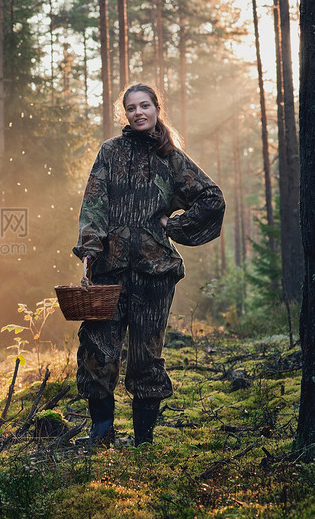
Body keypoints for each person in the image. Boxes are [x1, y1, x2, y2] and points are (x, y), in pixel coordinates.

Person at [72, 83, 225, 447]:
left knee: (145, 358)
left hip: (154, 274)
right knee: (97, 351)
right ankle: (101, 433)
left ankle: (144, 441)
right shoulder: (110, 152)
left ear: (157, 108)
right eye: (131, 108)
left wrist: (174, 225)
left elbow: (211, 199)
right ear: (124, 113)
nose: (138, 112)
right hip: (108, 273)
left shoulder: (171, 158)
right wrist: (90, 250)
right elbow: (93, 203)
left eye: (144, 106)